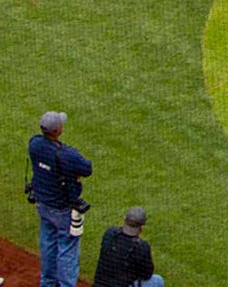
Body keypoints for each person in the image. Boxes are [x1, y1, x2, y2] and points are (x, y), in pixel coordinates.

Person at [28, 111, 92, 287]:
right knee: (67, 249)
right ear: (58, 130)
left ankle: (47, 283)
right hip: (62, 208)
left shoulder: (34, 144)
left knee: (48, 243)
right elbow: (87, 168)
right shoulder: (66, 154)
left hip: (42, 203)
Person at [95, 206, 161, 287]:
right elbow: (147, 275)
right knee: (158, 280)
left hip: (99, 284)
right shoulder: (142, 247)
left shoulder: (109, 233)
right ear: (142, 227)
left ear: (124, 219)